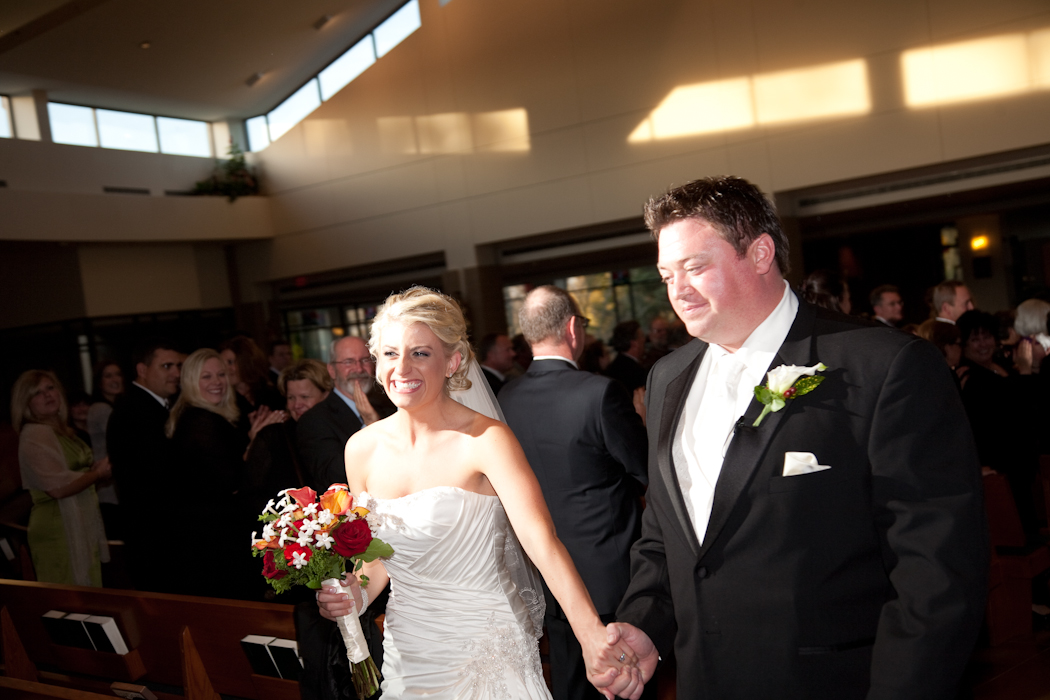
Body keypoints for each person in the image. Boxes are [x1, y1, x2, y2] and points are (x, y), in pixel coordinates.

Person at [596, 176, 987, 700]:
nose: (677, 290)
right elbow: (667, 533)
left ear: (760, 254)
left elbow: (935, 568)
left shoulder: (883, 366)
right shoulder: (668, 378)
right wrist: (646, 622)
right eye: (668, 274)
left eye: (695, 267)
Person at [316, 287, 637, 699]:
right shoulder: (361, 449)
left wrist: (590, 634)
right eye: (391, 353)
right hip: (408, 655)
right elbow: (376, 561)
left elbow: (541, 542)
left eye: (420, 353)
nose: (403, 367)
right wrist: (353, 596)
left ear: (452, 361)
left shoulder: (486, 440)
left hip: (488, 647)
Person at [499, 285, 650, 700]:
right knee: (625, 686)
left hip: (545, 577)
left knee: (569, 683)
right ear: (571, 328)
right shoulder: (600, 392)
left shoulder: (506, 397)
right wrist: (641, 420)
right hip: (609, 576)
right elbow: (644, 470)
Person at [166, 348, 283, 598]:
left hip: (214, 532)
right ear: (190, 381)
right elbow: (233, 480)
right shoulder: (201, 421)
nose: (217, 382)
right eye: (206, 376)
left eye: (221, 374)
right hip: (212, 537)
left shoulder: (207, 416)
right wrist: (255, 441)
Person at [12, 370, 110, 586]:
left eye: (50, 388)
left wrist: (95, 471)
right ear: (26, 404)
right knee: (68, 596)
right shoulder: (36, 432)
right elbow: (57, 488)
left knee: (86, 594)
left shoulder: (62, 431)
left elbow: (73, 474)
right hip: (58, 527)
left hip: (77, 522)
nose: (47, 395)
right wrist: (97, 474)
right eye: (37, 393)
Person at [107, 338, 182, 592]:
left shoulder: (155, 406)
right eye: (167, 366)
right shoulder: (134, 411)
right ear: (142, 369)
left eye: (178, 366)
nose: (176, 373)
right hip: (154, 534)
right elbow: (157, 476)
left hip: (158, 532)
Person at [86, 360, 124, 537]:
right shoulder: (100, 408)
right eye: (108, 376)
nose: (115, 379)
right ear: (99, 383)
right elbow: (125, 439)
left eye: (118, 374)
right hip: (108, 490)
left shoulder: (116, 406)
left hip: (112, 487)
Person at [220, 335, 284, 413]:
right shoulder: (222, 400)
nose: (225, 369)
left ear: (246, 363)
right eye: (222, 364)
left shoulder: (270, 394)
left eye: (230, 362)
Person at [604, 321, 648, 392]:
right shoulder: (636, 372)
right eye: (642, 336)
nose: (644, 339)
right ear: (634, 344)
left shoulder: (612, 368)